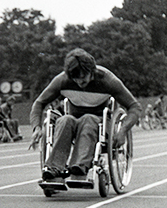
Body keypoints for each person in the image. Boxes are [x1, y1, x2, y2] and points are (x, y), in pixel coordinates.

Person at [30, 48, 141, 182]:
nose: (79, 82)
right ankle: (54, 169)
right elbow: (39, 103)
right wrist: (36, 127)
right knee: (65, 119)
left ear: (91, 71)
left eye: (82, 77)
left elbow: (135, 107)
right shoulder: (62, 80)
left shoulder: (108, 81)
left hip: (100, 124)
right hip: (74, 123)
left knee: (88, 119)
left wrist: (123, 130)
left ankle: (79, 167)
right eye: (75, 79)